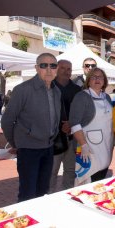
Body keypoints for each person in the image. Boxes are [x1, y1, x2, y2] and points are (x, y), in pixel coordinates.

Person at [1, 53, 61, 202]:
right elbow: (7, 121)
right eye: (43, 65)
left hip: (48, 148)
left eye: (52, 65)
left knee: (42, 192)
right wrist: (17, 143)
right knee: (27, 194)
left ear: (56, 69)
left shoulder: (56, 91)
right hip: (28, 150)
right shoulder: (23, 90)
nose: (49, 69)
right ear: (36, 68)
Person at [69, 67, 113, 184]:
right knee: (88, 182)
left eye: (100, 77)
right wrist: (83, 145)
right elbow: (74, 123)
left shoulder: (107, 97)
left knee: (100, 178)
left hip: (105, 146)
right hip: (88, 147)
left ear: (104, 81)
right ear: (88, 80)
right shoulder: (81, 96)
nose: (97, 79)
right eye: (94, 77)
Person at [49, 60, 81, 192]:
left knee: (70, 170)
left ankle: (66, 195)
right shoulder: (49, 87)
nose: (66, 71)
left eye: (69, 69)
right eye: (63, 68)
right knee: (51, 172)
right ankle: (48, 196)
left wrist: (72, 124)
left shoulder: (77, 90)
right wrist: (58, 127)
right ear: (56, 69)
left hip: (72, 138)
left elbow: (82, 112)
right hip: (54, 139)